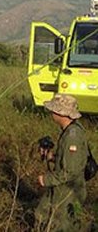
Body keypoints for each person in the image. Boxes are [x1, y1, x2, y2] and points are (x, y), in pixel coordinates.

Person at [35, 93, 88, 230]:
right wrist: (52, 157)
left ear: (61, 113)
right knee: (43, 215)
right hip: (64, 188)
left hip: (68, 190)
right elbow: (71, 160)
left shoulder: (72, 136)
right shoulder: (71, 130)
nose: (51, 113)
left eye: (54, 110)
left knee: (60, 225)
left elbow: (70, 171)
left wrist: (46, 180)